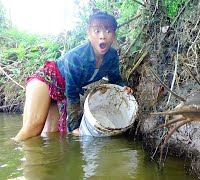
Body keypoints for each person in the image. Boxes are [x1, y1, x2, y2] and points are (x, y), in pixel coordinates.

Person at [14, 10, 133, 141]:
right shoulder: (76, 57)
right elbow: (71, 92)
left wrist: (123, 87)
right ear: (89, 34)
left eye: (108, 30)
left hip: (59, 92)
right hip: (46, 80)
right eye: (97, 31)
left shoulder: (112, 56)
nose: (103, 36)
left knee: (50, 135)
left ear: (114, 34)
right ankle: (8, 152)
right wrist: (74, 127)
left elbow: (115, 79)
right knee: (33, 128)